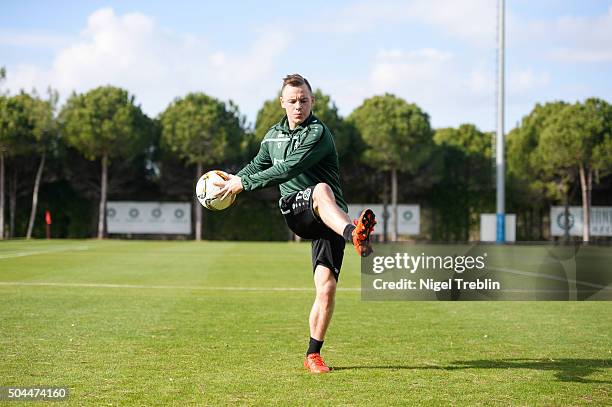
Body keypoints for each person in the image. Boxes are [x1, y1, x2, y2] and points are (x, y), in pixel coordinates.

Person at [214, 74, 376, 373]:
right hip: (296, 209)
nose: (298, 106)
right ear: (282, 103)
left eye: (303, 100)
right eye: (292, 101)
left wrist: (244, 183)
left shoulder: (318, 133)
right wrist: (235, 179)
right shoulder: (272, 136)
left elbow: (291, 167)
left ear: (312, 101)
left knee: (326, 289)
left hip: (329, 219)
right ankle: (355, 233)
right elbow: (261, 165)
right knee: (322, 189)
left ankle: (313, 355)